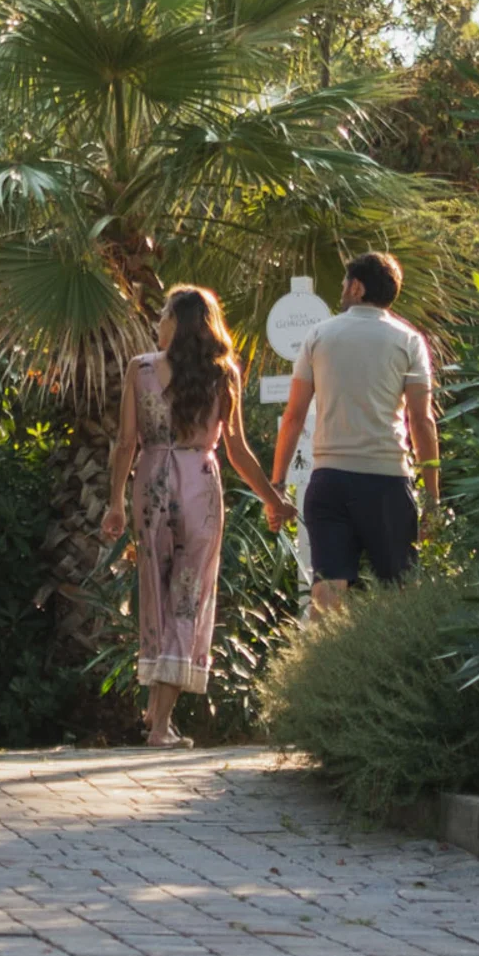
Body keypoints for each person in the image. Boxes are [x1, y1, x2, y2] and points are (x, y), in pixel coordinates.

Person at [101, 287, 296, 747]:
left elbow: (126, 444)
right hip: (199, 485)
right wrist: (271, 498)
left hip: (150, 483)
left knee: (157, 595)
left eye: (163, 314)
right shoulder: (223, 372)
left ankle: (158, 718)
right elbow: (238, 451)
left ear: (176, 321)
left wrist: (114, 502)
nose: (158, 324)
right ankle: (161, 724)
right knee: (188, 598)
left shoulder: (141, 368)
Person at [270, 251, 438, 614]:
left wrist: (277, 482)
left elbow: (294, 416)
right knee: (401, 592)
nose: (342, 290)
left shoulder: (318, 336)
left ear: (358, 287)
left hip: (330, 478)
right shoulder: (409, 341)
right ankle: (398, 665)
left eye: (345, 283)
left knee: (328, 587)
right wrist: (434, 499)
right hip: (386, 480)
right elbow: (421, 420)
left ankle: (322, 666)